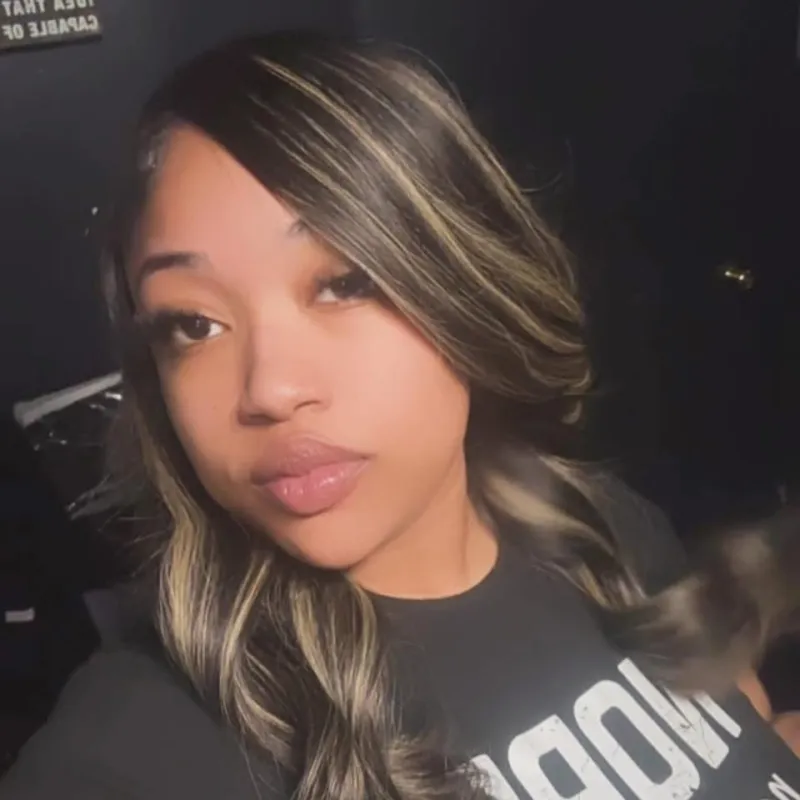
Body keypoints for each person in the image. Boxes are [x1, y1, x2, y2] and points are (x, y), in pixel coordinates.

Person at [2, 30, 799, 800]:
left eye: (345, 283)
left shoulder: (599, 527)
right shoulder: (140, 743)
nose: (270, 389)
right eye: (194, 324)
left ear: (469, 282)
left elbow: (738, 731)